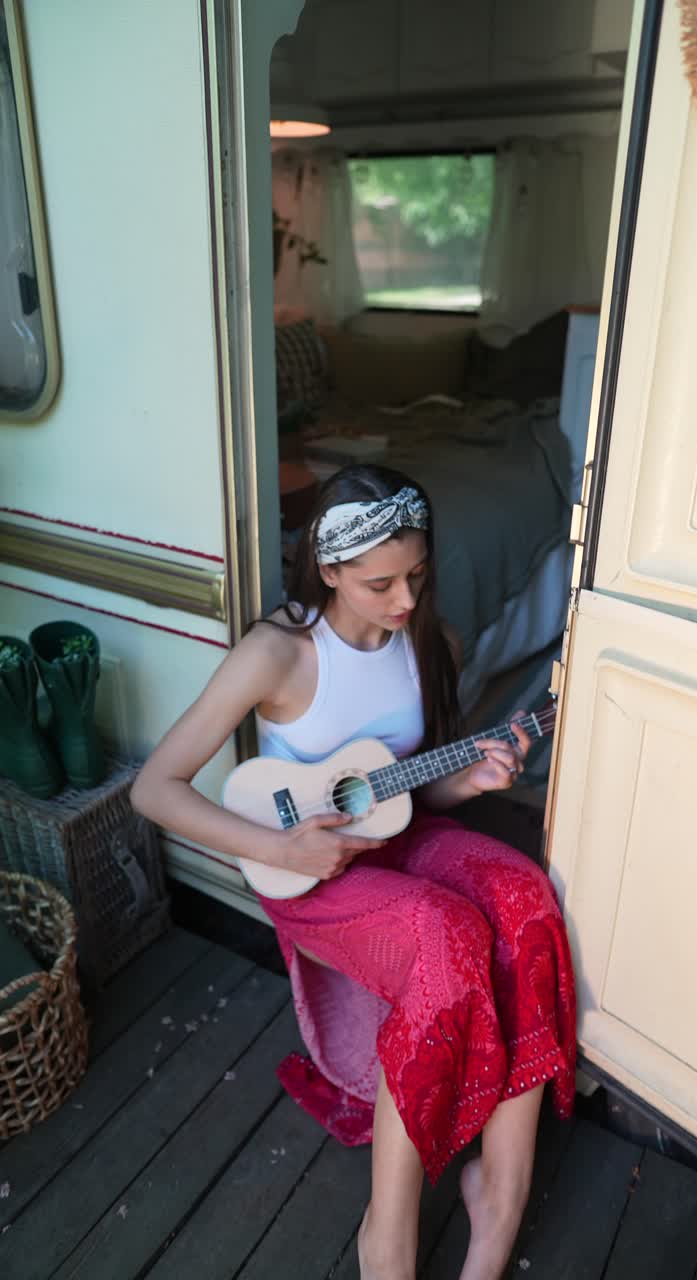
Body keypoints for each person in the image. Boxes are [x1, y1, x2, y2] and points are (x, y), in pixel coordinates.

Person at [131, 464, 576, 1280]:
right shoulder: (278, 653)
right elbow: (153, 788)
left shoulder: (426, 642)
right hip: (308, 872)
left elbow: (397, 783)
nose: (405, 601)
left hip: (395, 836)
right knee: (446, 939)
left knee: (525, 901)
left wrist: (468, 778)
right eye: (379, 584)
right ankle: (388, 1236)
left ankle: (499, 1196)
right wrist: (282, 850)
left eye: (416, 576)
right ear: (329, 571)